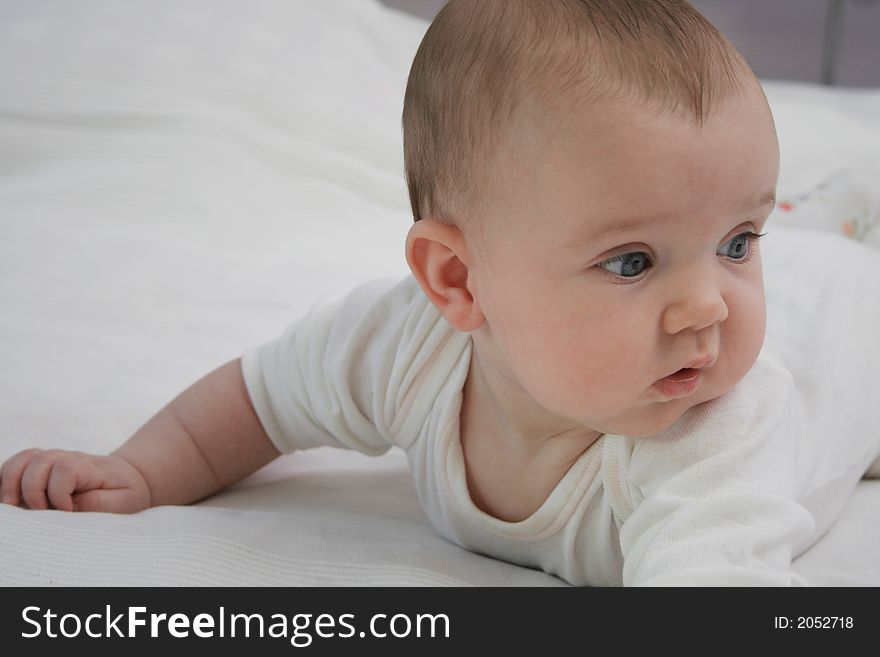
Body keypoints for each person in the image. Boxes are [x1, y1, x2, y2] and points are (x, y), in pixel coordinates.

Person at [2, 0, 879, 586]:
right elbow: (257, 399)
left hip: (850, 323)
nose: (709, 308)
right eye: (632, 262)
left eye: (738, 242)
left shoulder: (715, 431)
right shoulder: (403, 349)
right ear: (457, 281)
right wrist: (141, 468)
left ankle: (824, 213)